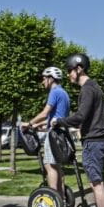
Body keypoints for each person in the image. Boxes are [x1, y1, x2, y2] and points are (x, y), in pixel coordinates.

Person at [54, 54, 104, 207]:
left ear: (79, 69)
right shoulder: (94, 86)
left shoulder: (87, 89)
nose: (68, 74)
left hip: (94, 141)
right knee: (99, 181)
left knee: (96, 183)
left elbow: (80, 116)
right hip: (98, 139)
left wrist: (59, 121)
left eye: (70, 70)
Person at [22, 67, 71, 199]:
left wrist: (30, 123)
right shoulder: (64, 93)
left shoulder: (54, 92)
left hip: (54, 134)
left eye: (44, 78)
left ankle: (53, 199)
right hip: (61, 133)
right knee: (57, 166)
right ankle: (61, 198)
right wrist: (38, 125)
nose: (42, 81)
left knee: (49, 166)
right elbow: (55, 117)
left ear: (50, 78)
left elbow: (45, 113)